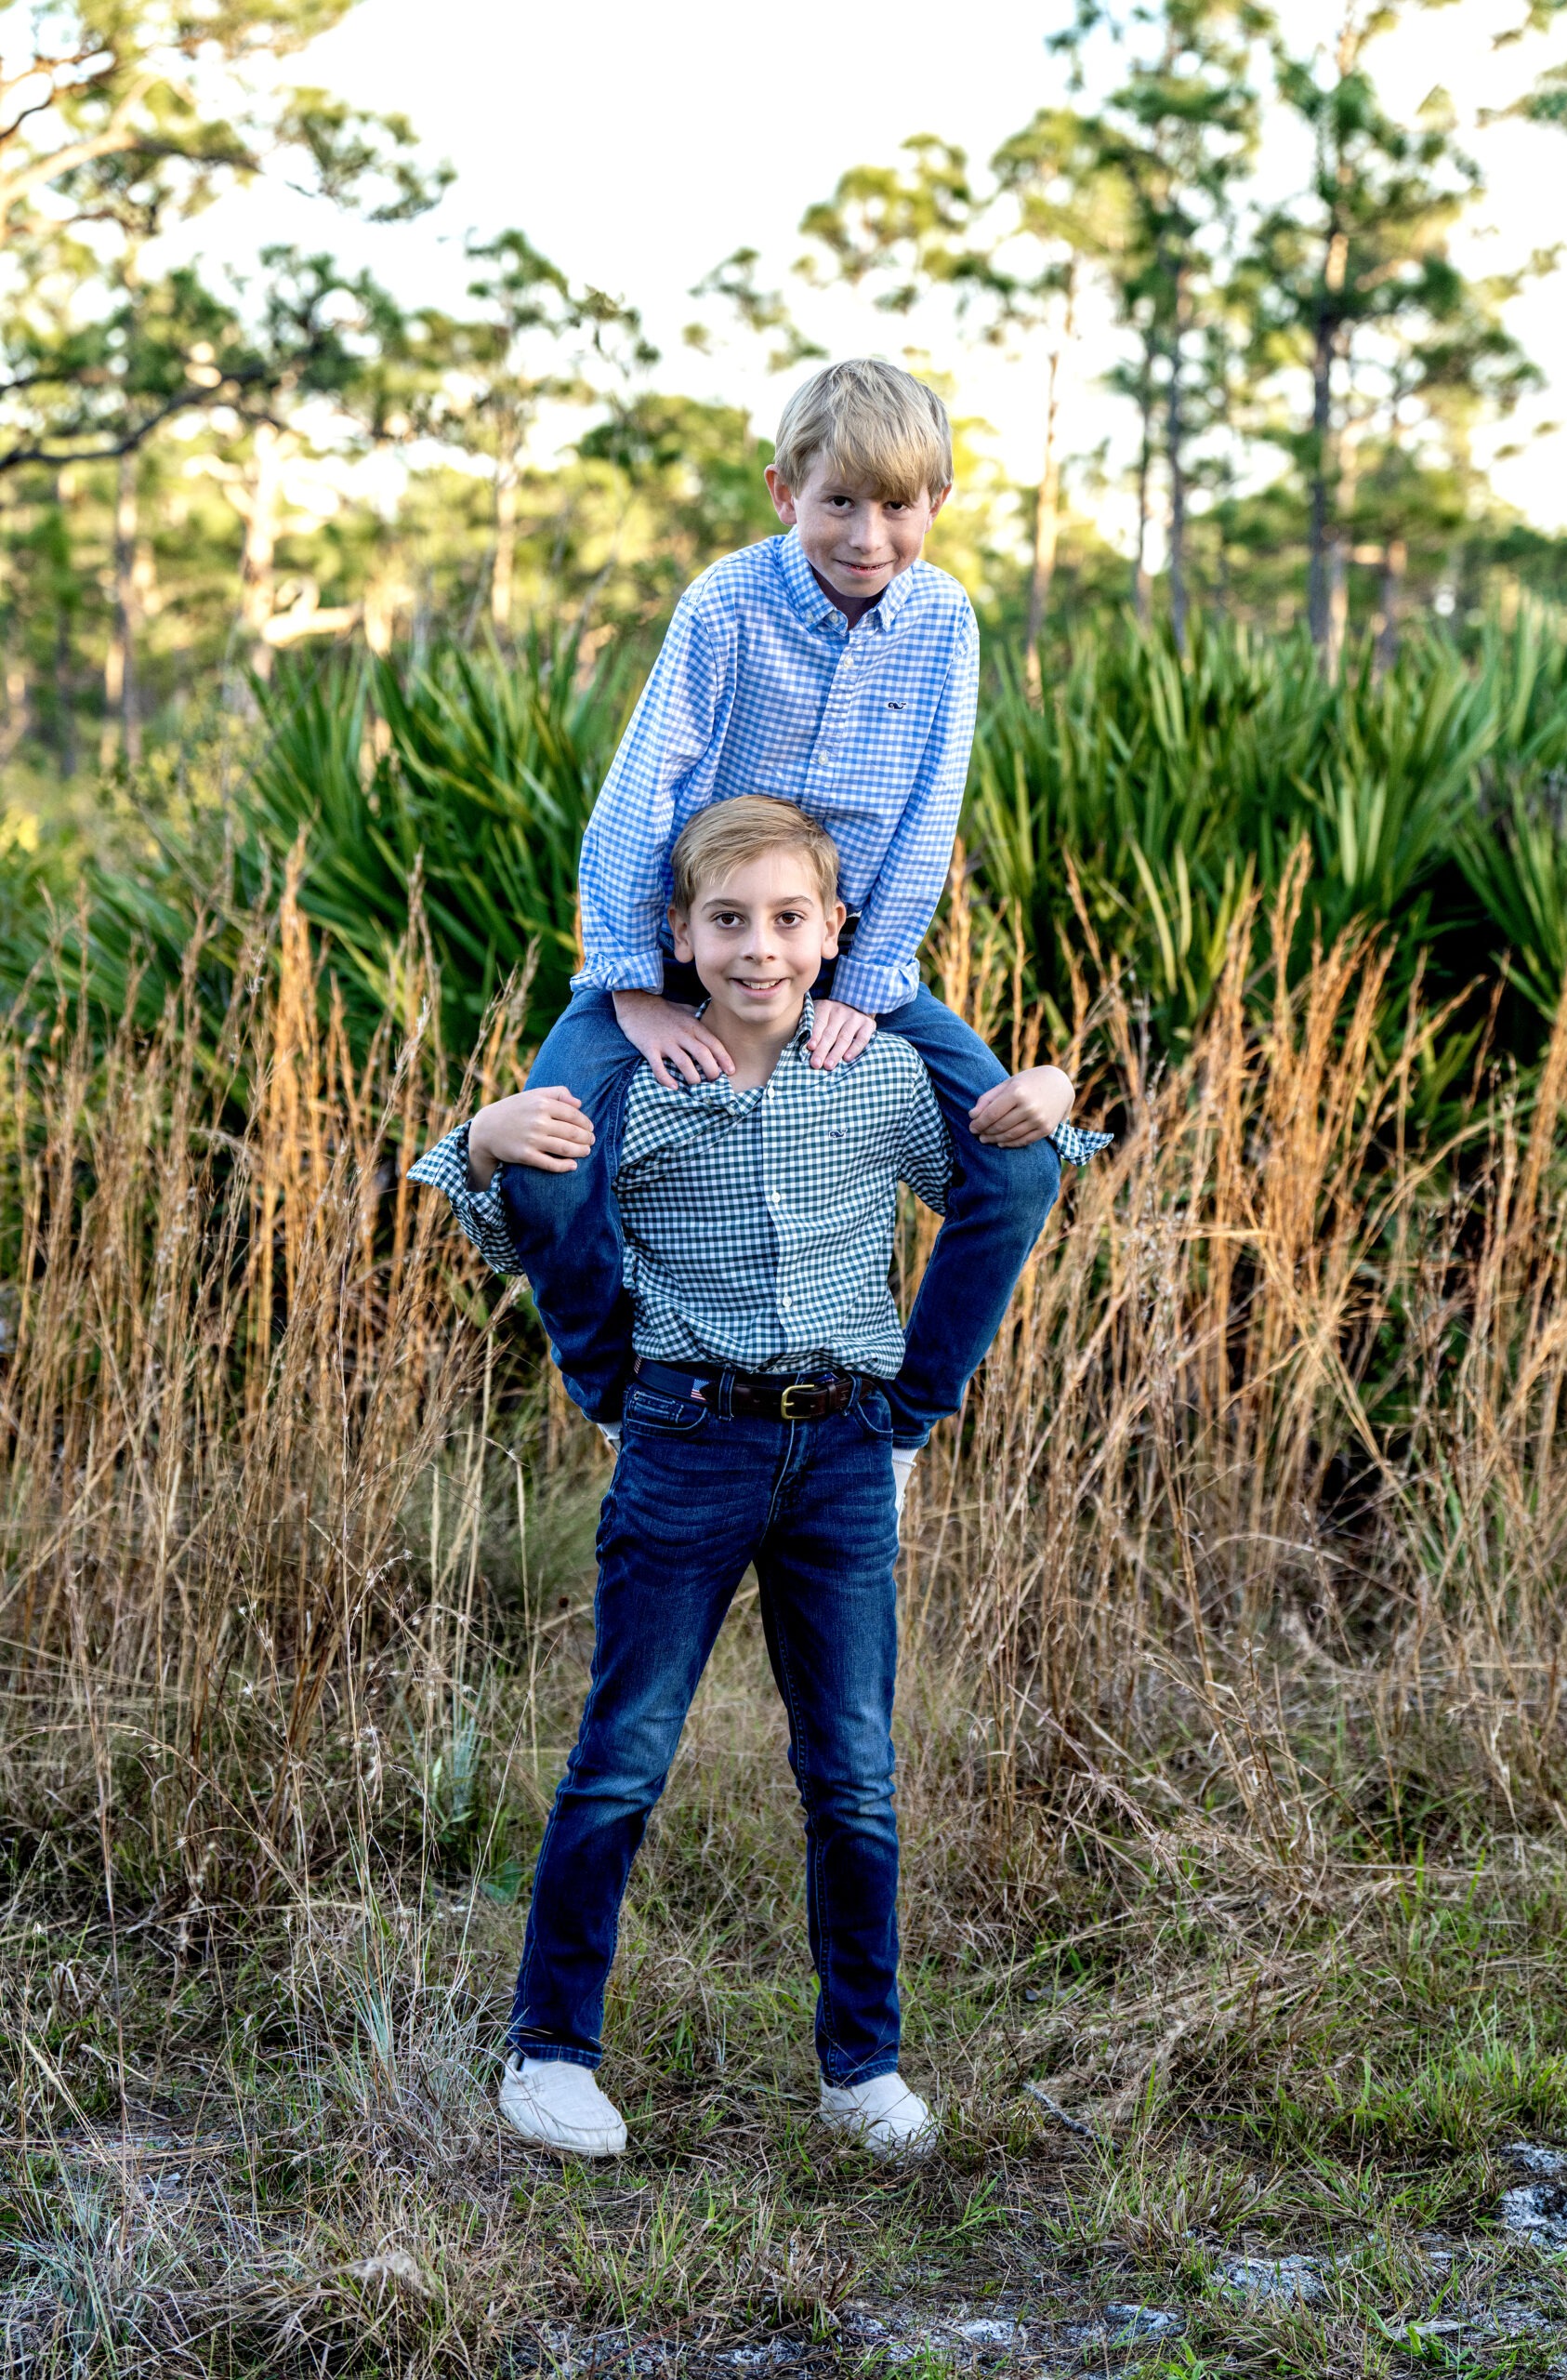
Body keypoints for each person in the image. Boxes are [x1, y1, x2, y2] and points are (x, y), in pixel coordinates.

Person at [410, 800, 1109, 2162]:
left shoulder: (874, 1073)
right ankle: (548, 2054)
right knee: (623, 1756)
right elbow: (527, 1225)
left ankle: (862, 2066)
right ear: (676, 937)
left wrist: (1058, 1102)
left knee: (851, 1768)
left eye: (789, 920)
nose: (758, 948)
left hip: (847, 1445)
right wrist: (486, 1142)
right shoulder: (640, 1079)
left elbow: (1007, 1174)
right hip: (688, 1439)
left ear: (836, 933)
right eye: (726, 922)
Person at [494, 356, 1077, 1454]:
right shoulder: (724, 604)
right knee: (550, 1158)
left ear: (936, 505)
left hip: (835, 954)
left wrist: (863, 982)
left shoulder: (946, 623)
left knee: (1016, 1164)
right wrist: (633, 991)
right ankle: (626, 1404)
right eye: (838, 504)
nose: (867, 537)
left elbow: (925, 813)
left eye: (896, 507)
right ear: (783, 494)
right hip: (685, 948)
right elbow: (640, 793)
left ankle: (898, 1428)